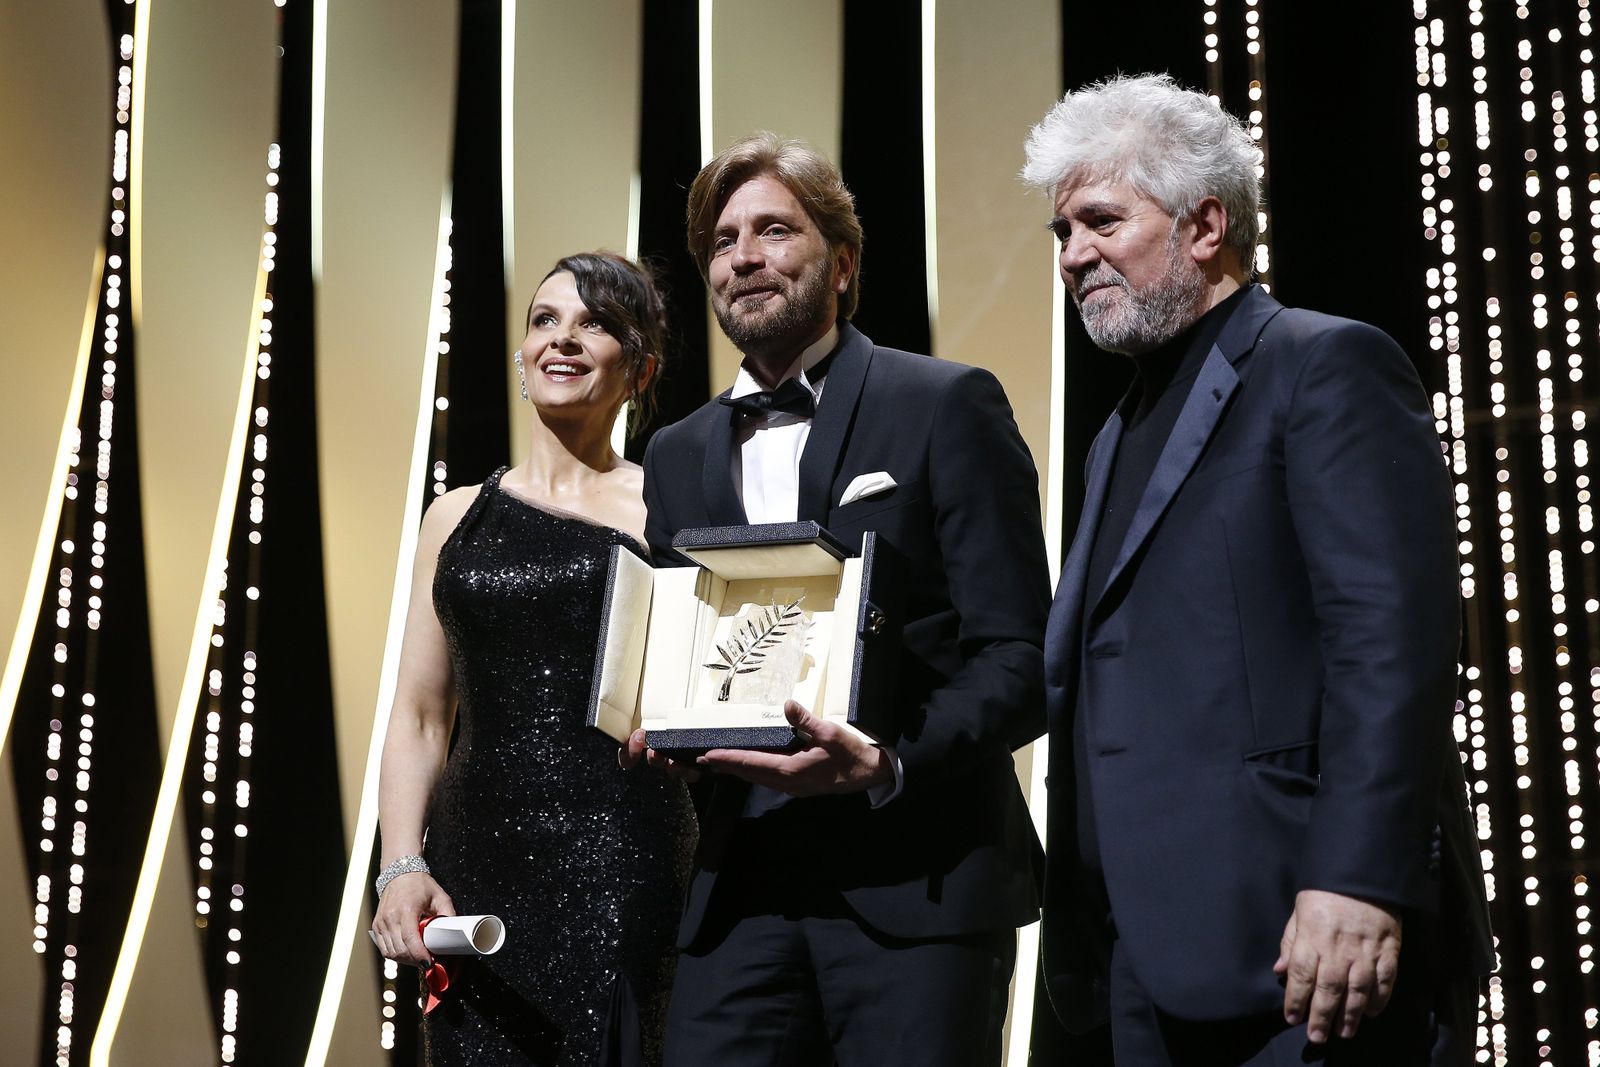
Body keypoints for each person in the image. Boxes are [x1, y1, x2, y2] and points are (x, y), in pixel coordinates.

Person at [1021, 74, 1495, 1064]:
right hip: (1143, 960)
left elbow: (1389, 643)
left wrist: (1358, 879)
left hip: (1304, 941)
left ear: (1204, 225)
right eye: (1061, 233)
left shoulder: (1325, 366)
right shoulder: (1119, 429)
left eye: (1099, 221)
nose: (1073, 257)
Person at [622, 132, 1050, 1066]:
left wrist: (890, 762)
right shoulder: (676, 452)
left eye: (775, 229)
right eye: (724, 241)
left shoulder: (945, 404)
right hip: (740, 895)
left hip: (918, 882)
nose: (745, 257)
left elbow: (1023, 660)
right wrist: (667, 734)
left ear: (842, 262)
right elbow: (686, 656)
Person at [369, 252, 696, 1067]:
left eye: (596, 324)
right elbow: (417, 714)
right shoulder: (454, 516)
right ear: (521, 356)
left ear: (640, 368)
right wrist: (401, 865)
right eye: (546, 319)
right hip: (473, 867)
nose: (564, 339)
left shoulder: (674, 505)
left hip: (621, 858)